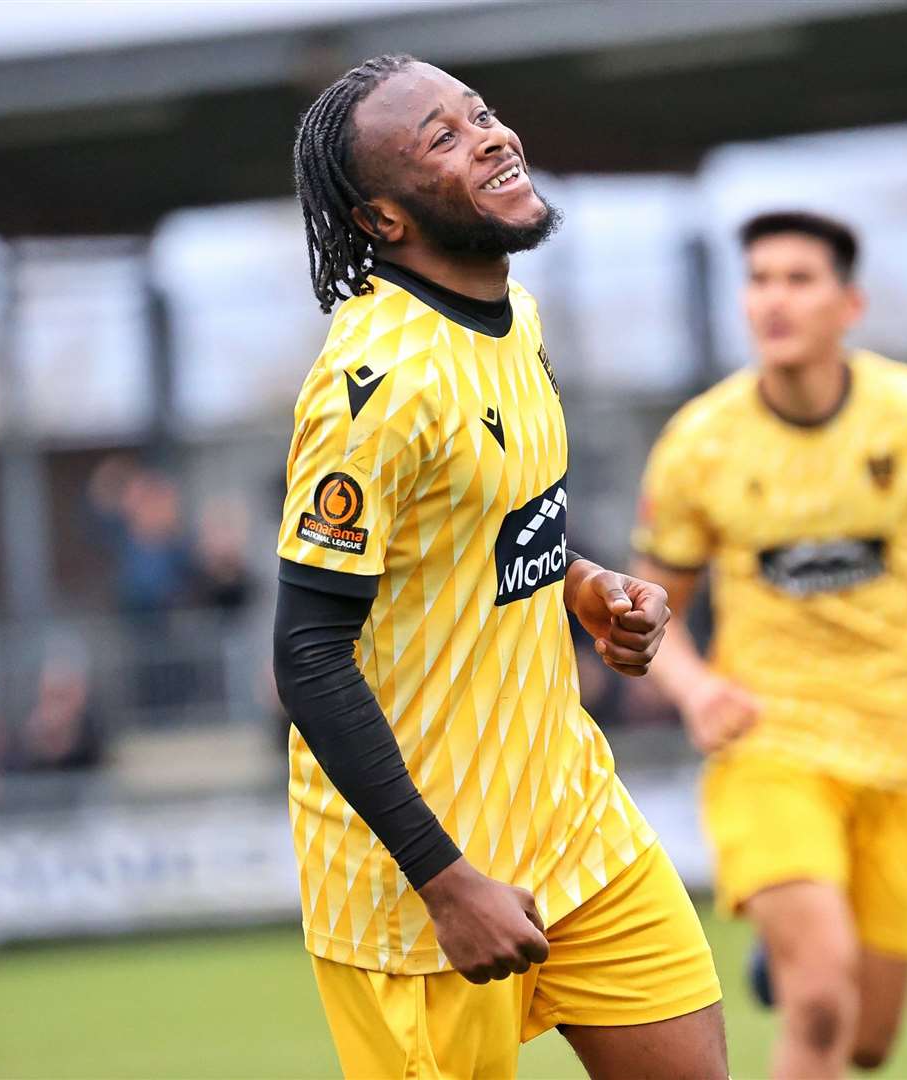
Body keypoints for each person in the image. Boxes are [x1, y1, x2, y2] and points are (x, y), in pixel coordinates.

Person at [273, 55, 725, 1079]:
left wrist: (586, 587)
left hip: (572, 818)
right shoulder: (374, 385)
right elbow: (306, 654)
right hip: (418, 884)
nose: (490, 135)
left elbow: (481, 524)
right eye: (441, 137)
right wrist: (443, 880)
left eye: (478, 113)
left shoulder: (517, 321)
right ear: (383, 219)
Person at [632, 211, 907, 1077]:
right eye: (759, 279)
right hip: (767, 745)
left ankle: (793, 952)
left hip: (901, 745)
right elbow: (647, 606)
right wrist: (696, 688)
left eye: (798, 279)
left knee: (867, 1040)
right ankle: (802, 950)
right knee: (819, 1000)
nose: (773, 299)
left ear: (849, 303)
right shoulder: (700, 445)